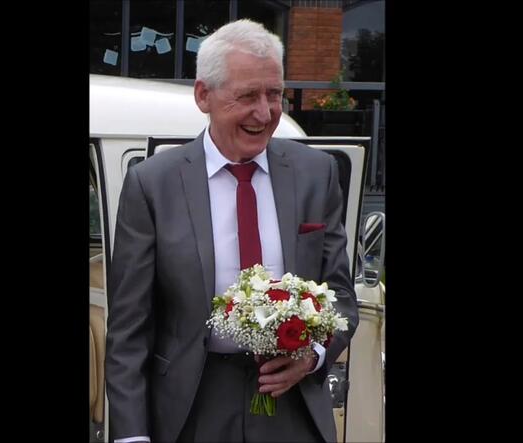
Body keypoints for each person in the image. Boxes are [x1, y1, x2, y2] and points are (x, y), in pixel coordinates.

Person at [105, 19, 359, 443]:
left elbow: (342, 297)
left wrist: (313, 357)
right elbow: (129, 329)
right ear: (204, 95)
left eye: (274, 94)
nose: (264, 113)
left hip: (293, 407)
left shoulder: (316, 173)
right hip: (191, 406)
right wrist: (132, 436)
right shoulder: (153, 185)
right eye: (247, 96)